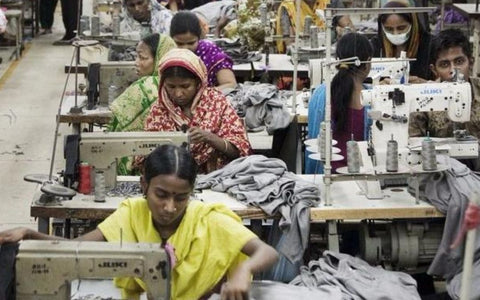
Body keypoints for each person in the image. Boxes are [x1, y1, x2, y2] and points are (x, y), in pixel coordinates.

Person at [0, 144, 279, 299]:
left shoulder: (208, 219)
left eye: (181, 198)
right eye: (161, 195)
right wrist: (29, 234)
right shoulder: (132, 213)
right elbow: (78, 248)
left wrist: (243, 270)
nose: (170, 207)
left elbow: (266, 252)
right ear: (144, 184)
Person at [144, 48, 252, 174]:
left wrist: (210, 138)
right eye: (171, 87)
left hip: (218, 177)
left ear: (198, 82)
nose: (178, 94)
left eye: (185, 86)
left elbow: (240, 150)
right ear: (163, 83)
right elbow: (147, 158)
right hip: (173, 179)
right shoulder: (159, 111)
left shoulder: (216, 102)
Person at [305, 33, 373, 173]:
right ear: (368, 63)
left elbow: (313, 135)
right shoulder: (374, 98)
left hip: (326, 176)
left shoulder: (320, 94)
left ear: (337, 61)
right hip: (362, 178)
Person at [409, 29, 480, 139]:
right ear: (434, 70)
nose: (453, 70)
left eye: (459, 62)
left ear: (471, 62)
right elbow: (414, 142)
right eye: (444, 64)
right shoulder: (423, 100)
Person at [108, 33, 176, 132]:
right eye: (137, 57)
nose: (136, 62)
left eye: (143, 58)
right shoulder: (178, 84)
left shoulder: (144, 87)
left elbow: (116, 124)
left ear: (159, 58)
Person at [170, 11, 237, 90]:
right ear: (171, 39)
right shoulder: (167, 53)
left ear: (199, 38)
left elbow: (230, 84)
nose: (186, 48)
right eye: (180, 44)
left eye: (191, 43)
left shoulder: (211, 53)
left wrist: (204, 96)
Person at [370, 0, 433, 83]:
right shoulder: (375, 46)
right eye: (389, 29)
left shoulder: (430, 45)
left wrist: (424, 84)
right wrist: (377, 85)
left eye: (401, 28)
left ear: (413, 24)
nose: (395, 33)